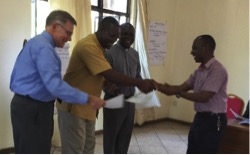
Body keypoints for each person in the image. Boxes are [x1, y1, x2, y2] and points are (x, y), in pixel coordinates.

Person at [9, 10, 105, 154]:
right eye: (68, 33)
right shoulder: (44, 48)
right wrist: (88, 98)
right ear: (54, 26)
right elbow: (54, 86)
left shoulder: (37, 42)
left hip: (28, 106)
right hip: (33, 109)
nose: (70, 38)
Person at [56, 17, 156, 154]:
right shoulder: (88, 46)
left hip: (90, 107)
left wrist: (108, 84)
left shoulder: (101, 48)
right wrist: (140, 83)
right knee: (75, 150)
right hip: (73, 106)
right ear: (101, 30)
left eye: (116, 36)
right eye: (112, 35)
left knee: (88, 148)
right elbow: (109, 73)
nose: (114, 39)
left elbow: (100, 76)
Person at [156, 34, 228, 154]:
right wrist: (156, 85)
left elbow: (204, 97)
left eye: (194, 48)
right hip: (200, 118)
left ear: (206, 48)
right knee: (193, 150)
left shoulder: (218, 70)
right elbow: (180, 88)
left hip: (215, 120)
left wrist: (179, 92)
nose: (191, 52)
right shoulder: (199, 71)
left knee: (207, 151)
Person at [102, 23, 140, 154]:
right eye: (125, 34)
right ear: (119, 35)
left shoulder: (135, 54)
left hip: (131, 101)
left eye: (131, 35)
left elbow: (137, 76)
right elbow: (104, 80)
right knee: (111, 136)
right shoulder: (109, 53)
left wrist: (144, 84)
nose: (128, 37)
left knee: (125, 136)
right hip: (114, 100)